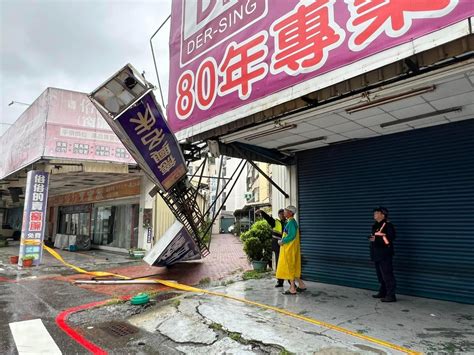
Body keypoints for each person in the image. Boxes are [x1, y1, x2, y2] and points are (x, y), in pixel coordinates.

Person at [276, 205, 306, 295]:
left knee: (290, 268)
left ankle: (292, 288)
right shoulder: (290, 222)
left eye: (285, 211)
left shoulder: (291, 223)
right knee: (294, 267)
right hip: (290, 248)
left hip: (289, 249)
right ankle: (301, 285)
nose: (284, 212)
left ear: (290, 213)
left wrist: (282, 241)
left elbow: (291, 236)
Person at [369, 207, 397, 302]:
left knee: (387, 275)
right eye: (374, 213)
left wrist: (376, 239)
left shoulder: (388, 225)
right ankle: (383, 292)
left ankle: (391, 295)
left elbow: (389, 240)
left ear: (383, 215)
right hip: (377, 254)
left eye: (377, 213)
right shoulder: (376, 225)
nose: (374, 214)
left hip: (385, 255)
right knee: (380, 275)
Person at [257, 208, 287, 287]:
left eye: (283, 214)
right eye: (280, 214)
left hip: (286, 246)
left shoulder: (288, 222)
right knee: (279, 264)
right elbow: (268, 218)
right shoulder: (275, 222)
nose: (282, 215)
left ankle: (292, 283)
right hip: (277, 246)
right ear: (279, 215)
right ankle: (280, 282)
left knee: (287, 264)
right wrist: (262, 212)